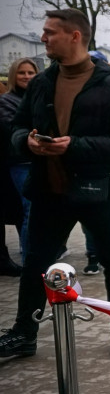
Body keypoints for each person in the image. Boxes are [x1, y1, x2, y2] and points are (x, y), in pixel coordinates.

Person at [1, 8, 110, 359]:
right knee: (36, 263)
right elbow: (15, 129)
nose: (44, 37)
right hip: (49, 189)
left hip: (99, 191)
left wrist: (76, 145)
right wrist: (27, 142)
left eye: (51, 32)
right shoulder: (41, 83)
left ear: (75, 36)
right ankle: (24, 332)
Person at [0, 58, 38, 274]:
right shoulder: (6, 101)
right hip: (20, 163)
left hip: (40, 161)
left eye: (30, 72)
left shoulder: (38, 97)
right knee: (29, 211)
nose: (26, 76)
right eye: (21, 73)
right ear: (13, 76)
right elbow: (12, 128)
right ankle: (29, 259)